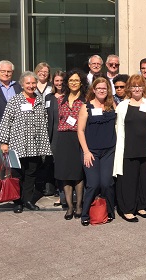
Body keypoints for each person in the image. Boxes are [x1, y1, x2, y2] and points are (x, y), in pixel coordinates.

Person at [0, 71, 52, 213]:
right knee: (16, 173)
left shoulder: (40, 101)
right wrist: (4, 143)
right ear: (22, 84)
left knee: (31, 173)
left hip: (35, 146)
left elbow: (44, 122)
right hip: (16, 146)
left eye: (33, 83)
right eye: (28, 83)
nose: (31, 86)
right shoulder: (14, 101)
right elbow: (6, 122)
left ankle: (27, 200)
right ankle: (17, 201)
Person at [113, 74, 146, 222]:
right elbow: (118, 128)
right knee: (128, 181)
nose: (137, 88)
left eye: (139, 86)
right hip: (128, 150)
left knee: (145, 180)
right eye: (134, 86)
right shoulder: (122, 106)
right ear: (129, 88)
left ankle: (141, 206)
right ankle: (128, 209)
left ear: (144, 87)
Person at [77, 77, 117, 226]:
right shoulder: (86, 107)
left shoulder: (111, 105)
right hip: (91, 152)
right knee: (93, 184)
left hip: (109, 151)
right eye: (99, 88)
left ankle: (110, 211)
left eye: (104, 88)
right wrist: (86, 152)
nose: (102, 91)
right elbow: (80, 131)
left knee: (107, 183)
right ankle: (85, 213)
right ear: (94, 90)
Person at [55, 69, 87, 220]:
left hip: (78, 138)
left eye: (76, 80)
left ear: (81, 83)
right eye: (71, 80)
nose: (73, 83)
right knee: (65, 174)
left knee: (77, 174)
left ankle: (79, 205)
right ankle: (69, 207)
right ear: (67, 83)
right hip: (63, 139)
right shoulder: (60, 99)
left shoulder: (86, 99)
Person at [45, 71, 65, 202]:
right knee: (54, 162)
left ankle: (64, 191)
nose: (59, 83)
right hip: (53, 134)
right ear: (53, 82)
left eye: (61, 81)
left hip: (65, 134)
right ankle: (58, 188)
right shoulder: (49, 97)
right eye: (57, 81)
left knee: (64, 162)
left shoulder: (69, 96)